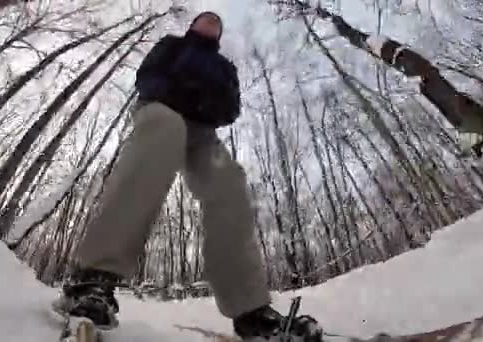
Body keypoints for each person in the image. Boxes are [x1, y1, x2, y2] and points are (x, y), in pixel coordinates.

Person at [52, 11, 322, 341]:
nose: (211, 23)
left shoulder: (225, 68)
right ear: (192, 26)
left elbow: (231, 108)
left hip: (202, 128)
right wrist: (177, 93)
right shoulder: (172, 46)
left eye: (216, 23)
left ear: (219, 34)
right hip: (162, 111)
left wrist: (207, 104)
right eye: (205, 20)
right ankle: (92, 279)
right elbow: (147, 76)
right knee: (165, 130)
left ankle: (251, 310)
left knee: (229, 183)